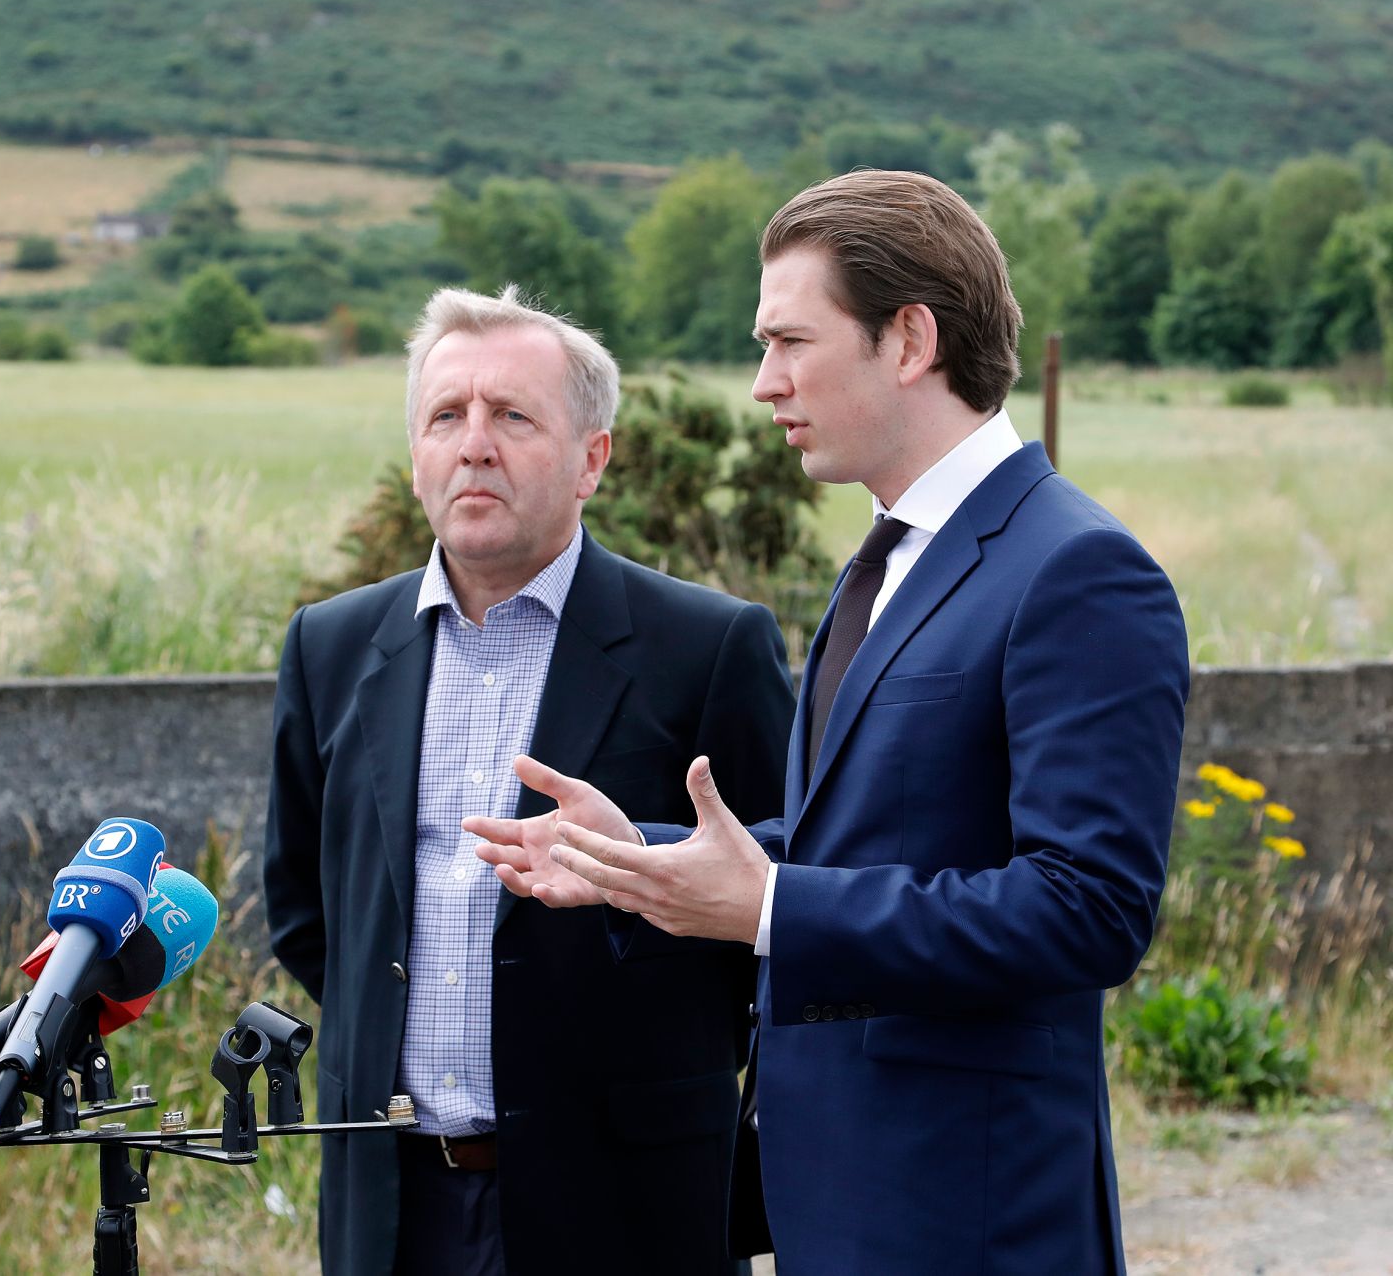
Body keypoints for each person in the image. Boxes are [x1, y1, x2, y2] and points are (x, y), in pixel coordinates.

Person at [466, 172, 1190, 1275]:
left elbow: (1086, 909)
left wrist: (769, 908)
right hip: (834, 1204)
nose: (764, 382)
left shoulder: (1077, 570)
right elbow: (861, 842)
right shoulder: (885, 558)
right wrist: (638, 860)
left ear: (909, 340)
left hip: (970, 1219)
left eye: (790, 341)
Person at [262, 285, 795, 1276]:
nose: (474, 445)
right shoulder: (329, 645)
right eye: (445, 416)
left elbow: (779, 904)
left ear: (592, 457)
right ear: (415, 452)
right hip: (391, 1204)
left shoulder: (707, 648)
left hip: (625, 1202)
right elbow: (305, 908)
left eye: (512, 415)